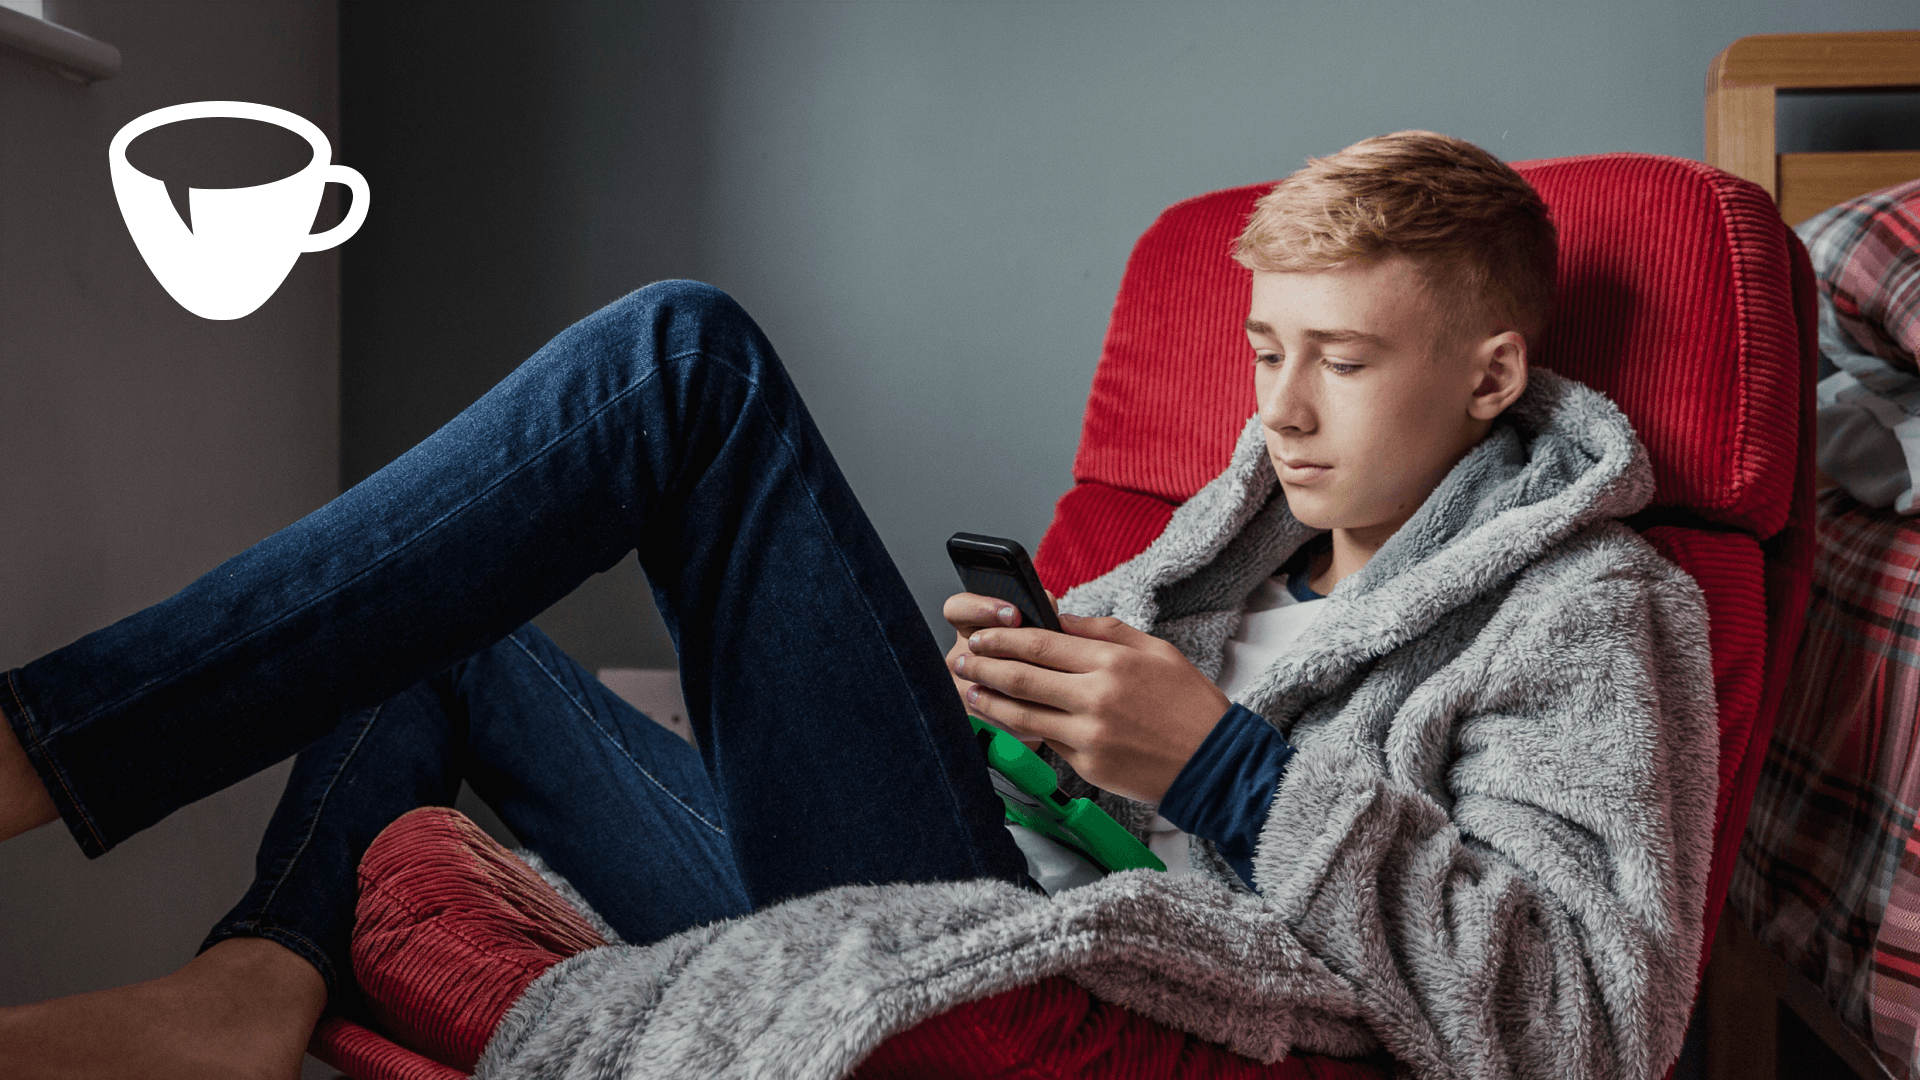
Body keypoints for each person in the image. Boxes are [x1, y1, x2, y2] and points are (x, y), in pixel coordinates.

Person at [0, 131, 1717, 1080]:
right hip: (954, 865)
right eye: (1266, 352)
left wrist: (1223, 770)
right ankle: (256, 980)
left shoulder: (1588, 613)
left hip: (1051, 966)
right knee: (452, 630)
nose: (1279, 411)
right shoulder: (1235, 537)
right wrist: (1025, 699)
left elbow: (1584, 1023)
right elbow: (1054, 782)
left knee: (684, 364)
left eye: (1342, 361)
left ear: (1494, 374)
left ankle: (29, 747)